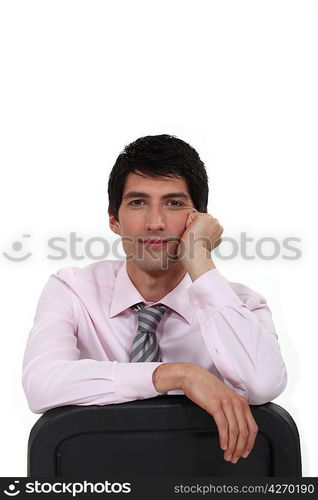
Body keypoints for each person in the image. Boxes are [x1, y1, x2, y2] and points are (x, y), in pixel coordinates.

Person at [22, 134, 287, 465]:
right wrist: (176, 374)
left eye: (174, 203)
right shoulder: (72, 290)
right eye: (138, 202)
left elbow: (263, 384)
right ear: (114, 221)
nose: (156, 223)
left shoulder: (242, 305)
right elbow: (42, 384)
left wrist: (199, 258)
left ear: (199, 220)